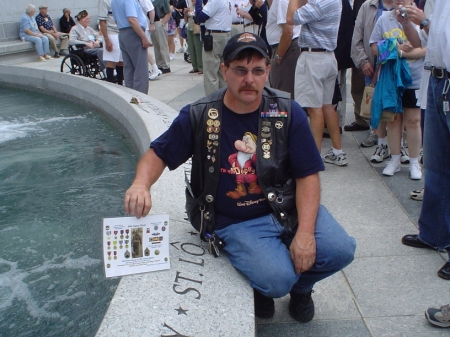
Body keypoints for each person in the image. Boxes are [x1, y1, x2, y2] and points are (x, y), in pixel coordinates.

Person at [124, 32, 356, 322]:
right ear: (224, 70)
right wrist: (140, 184)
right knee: (276, 279)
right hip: (236, 221)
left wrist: (306, 233)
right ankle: (267, 284)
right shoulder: (201, 114)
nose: (249, 79)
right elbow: (158, 154)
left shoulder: (286, 111)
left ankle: (303, 288)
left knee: (341, 249)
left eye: (258, 70)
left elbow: (308, 175)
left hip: (286, 207)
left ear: (267, 72)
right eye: (240, 70)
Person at [399, 0, 450, 281]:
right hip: (437, 80)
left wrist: (424, 21)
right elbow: (423, 42)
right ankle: (434, 233)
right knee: (438, 166)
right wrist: (410, 22)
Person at [287, 0, 347, 166]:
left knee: (314, 109)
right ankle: (337, 152)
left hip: (313, 57)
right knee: (327, 106)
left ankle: (315, 157)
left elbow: (291, 18)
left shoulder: (320, 2)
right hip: (328, 57)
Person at [369, 0, 424, 180]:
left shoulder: (419, 18)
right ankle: (394, 159)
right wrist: (396, 48)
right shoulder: (384, 18)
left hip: (414, 77)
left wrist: (400, 53)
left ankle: (415, 161)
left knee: (413, 120)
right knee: (393, 119)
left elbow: (424, 49)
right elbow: (375, 48)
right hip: (391, 78)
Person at [350, 0, 394, 156]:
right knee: (375, 102)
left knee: (399, 107)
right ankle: (375, 134)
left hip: (398, 67)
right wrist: (363, 61)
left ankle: (400, 143)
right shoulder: (368, 6)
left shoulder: (405, 5)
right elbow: (357, 38)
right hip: (373, 65)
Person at [111, 0, 150, 94]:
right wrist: (143, 37)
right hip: (133, 33)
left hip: (123, 32)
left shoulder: (114, 1)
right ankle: (140, 97)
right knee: (140, 68)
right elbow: (132, 19)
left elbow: (116, 20)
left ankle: (131, 94)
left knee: (129, 68)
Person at [195, 0, 232, 95]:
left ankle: (212, 102)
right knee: (222, 72)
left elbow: (200, 17)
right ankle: (223, 99)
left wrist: (198, 2)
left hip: (214, 36)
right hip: (225, 34)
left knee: (210, 72)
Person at [266, 0, 301, 99]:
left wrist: (278, 56)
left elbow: (288, 32)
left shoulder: (280, 1)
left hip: (286, 48)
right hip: (284, 47)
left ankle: (285, 114)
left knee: (282, 93)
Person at [98, 0, 124, 85]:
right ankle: (110, 84)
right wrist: (106, 39)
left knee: (121, 61)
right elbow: (102, 21)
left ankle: (120, 84)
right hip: (111, 33)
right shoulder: (104, 1)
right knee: (111, 61)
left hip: (121, 32)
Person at [152, 0, 172, 74]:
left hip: (160, 20)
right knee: (156, 45)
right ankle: (159, 64)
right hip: (152, 22)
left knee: (162, 44)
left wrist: (163, 23)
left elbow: (168, 12)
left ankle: (166, 65)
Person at [184, 0, 203, 74]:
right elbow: (186, 20)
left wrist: (193, 12)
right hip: (189, 28)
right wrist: (185, 13)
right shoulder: (190, 6)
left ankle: (200, 67)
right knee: (191, 48)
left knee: (198, 48)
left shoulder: (199, 7)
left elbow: (199, 16)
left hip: (196, 28)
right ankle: (194, 66)